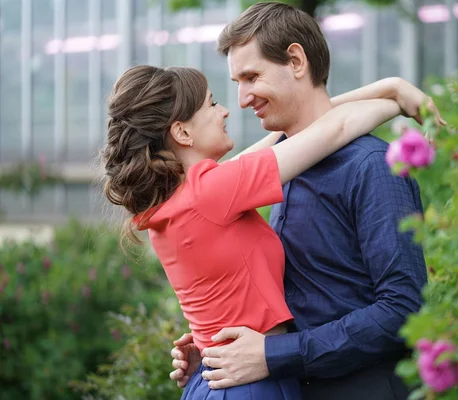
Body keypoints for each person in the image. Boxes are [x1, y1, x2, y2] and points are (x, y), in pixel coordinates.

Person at [101, 60, 427, 399]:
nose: (226, 111)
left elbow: (300, 129)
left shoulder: (178, 202)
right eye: (212, 104)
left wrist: (390, 89)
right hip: (248, 384)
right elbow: (335, 128)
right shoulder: (214, 191)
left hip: (223, 378)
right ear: (182, 132)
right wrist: (398, 98)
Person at [169, 2, 440, 400]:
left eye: (251, 77)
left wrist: (273, 354)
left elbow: (405, 309)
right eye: (236, 83)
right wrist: (219, 346)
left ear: (296, 60)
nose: (242, 99)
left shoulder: (372, 167)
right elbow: (304, 299)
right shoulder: (281, 170)